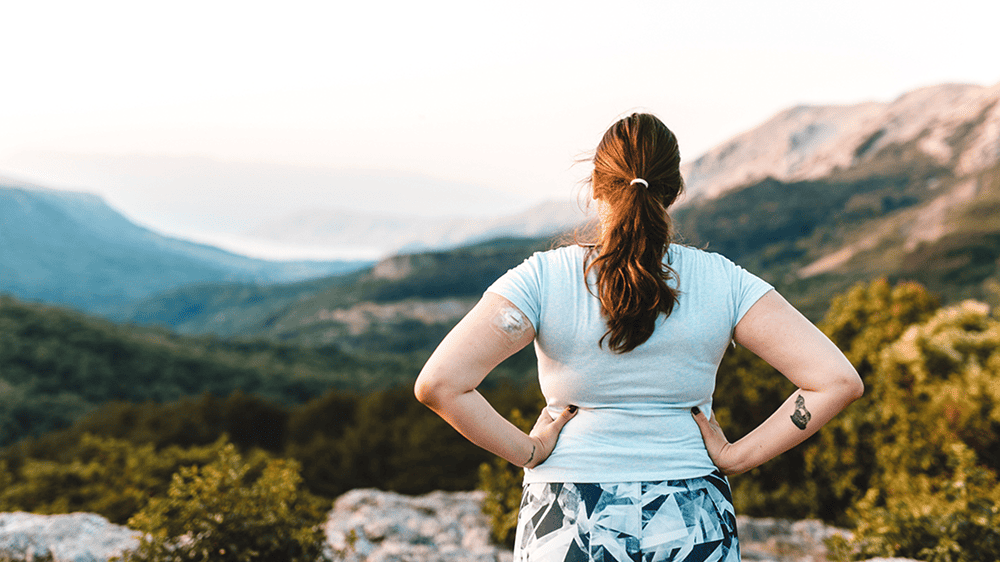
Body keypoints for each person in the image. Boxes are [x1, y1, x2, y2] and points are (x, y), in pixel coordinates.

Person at [414, 113, 863, 561]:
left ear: (594, 185)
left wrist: (528, 450)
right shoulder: (723, 281)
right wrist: (737, 456)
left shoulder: (543, 278)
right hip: (691, 511)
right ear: (675, 190)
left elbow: (440, 384)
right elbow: (836, 381)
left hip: (567, 513)